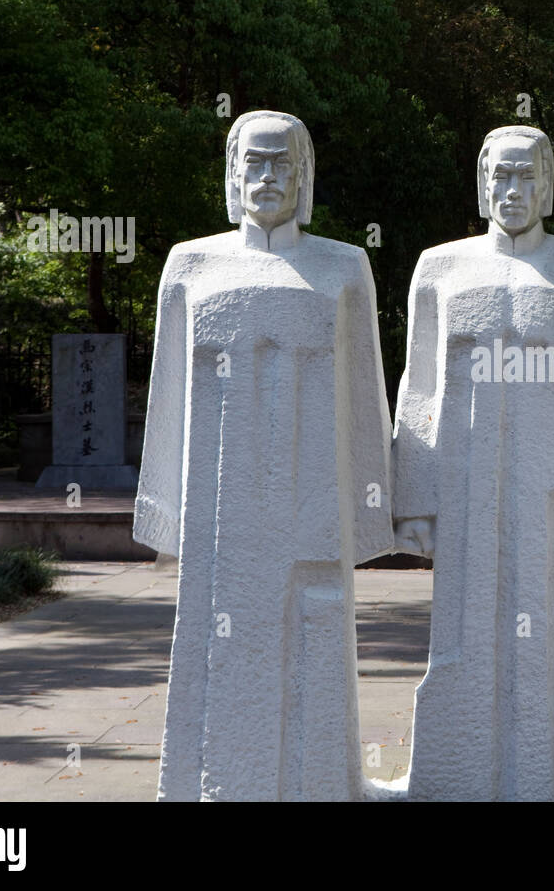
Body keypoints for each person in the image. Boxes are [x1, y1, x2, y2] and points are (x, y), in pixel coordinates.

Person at [134, 110, 392, 800]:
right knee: (219, 648)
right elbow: (167, 400)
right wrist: (163, 512)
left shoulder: (342, 266)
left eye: (282, 164)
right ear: (232, 171)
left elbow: (367, 400)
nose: (268, 176)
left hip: (312, 505)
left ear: (303, 176)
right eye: (255, 163)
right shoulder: (190, 264)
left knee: (313, 637)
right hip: (222, 514)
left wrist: (372, 513)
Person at [392, 125, 554, 800]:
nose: (513, 190)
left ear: (547, 184)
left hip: (551, 488)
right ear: (481, 182)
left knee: (545, 633)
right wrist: (413, 496)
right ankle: (457, 777)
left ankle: (547, 778)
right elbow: (420, 387)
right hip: (464, 483)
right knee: (463, 633)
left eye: (527, 176)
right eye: (501, 176)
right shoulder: (441, 267)